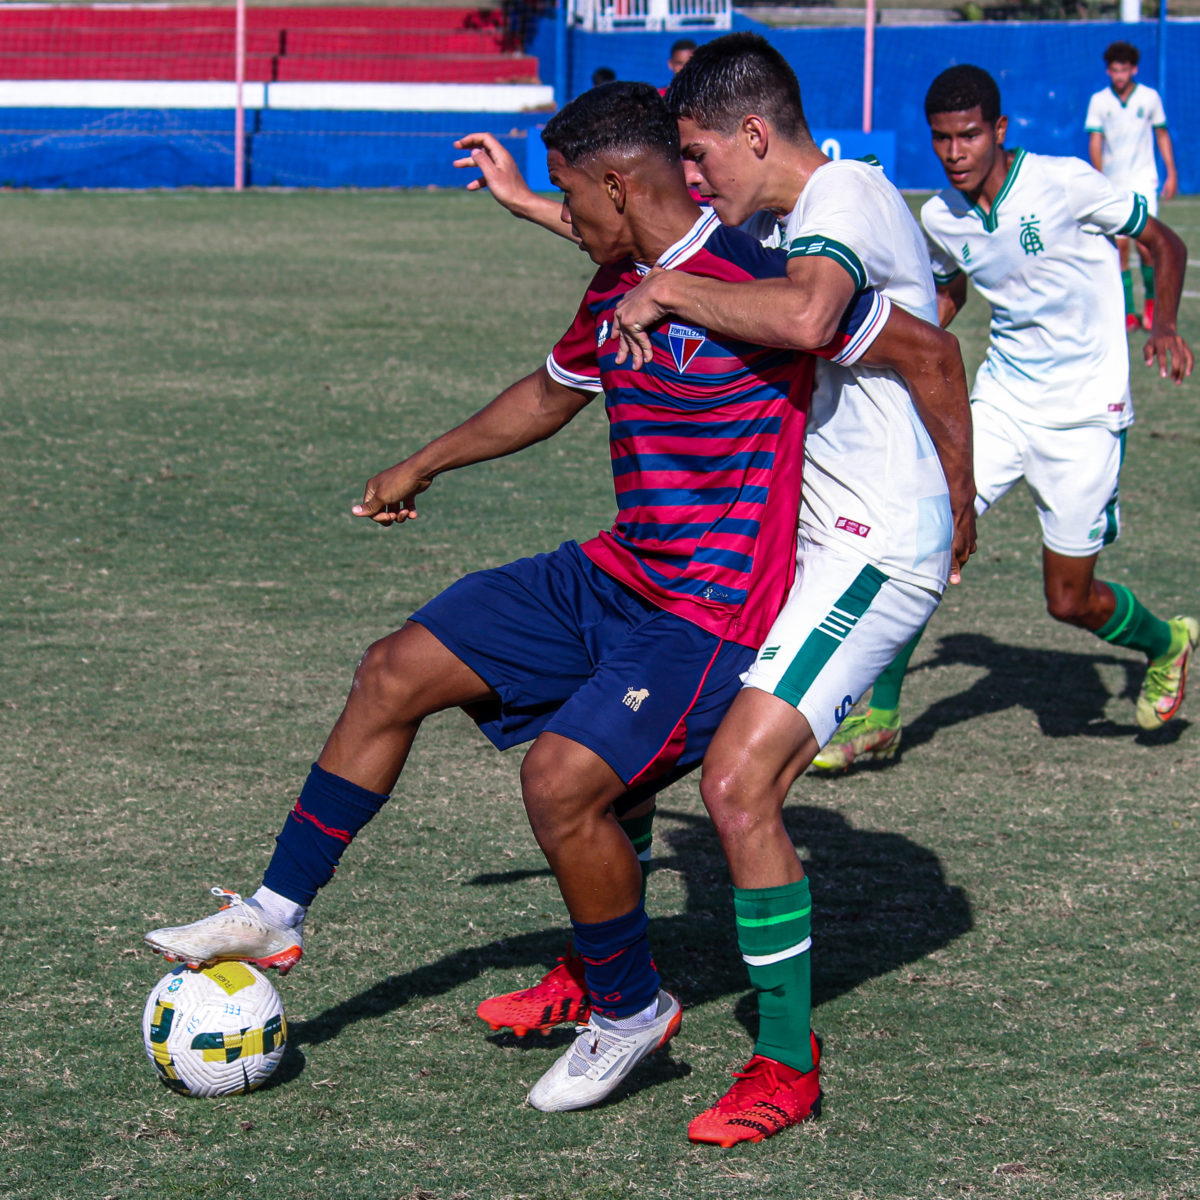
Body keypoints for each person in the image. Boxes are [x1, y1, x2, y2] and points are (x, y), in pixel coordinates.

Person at [143, 82, 891, 1119]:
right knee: (394, 667)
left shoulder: (766, 287)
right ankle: (276, 909)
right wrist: (424, 463)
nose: (567, 217)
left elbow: (919, 343)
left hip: (708, 615)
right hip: (617, 573)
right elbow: (551, 393)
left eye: (572, 197)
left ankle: (628, 1009)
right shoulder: (617, 278)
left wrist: (944, 508)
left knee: (560, 783)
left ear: (622, 187)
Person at [455, 32, 976, 1146]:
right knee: (637, 738)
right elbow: (653, 225)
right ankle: (601, 977)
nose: (693, 182)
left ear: (752, 132)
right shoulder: (785, 224)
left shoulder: (840, 189)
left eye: (700, 157)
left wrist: (955, 508)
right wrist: (533, 208)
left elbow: (801, 318)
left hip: (869, 551)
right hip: (808, 546)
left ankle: (787, 1062)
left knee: (737, 784)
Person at [814, 63, 1195, 775]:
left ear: (998, 130)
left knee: (1068, 599)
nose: (955, 153)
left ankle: (1166, 642)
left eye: (968, 136)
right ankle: (880, 718)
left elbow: (1162, 243)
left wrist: (1164, 323)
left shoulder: (1064, 182)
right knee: (925, 539)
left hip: (1085, 416)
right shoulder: (939, 216)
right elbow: (952, 283)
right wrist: (908, 351)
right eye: (941, 140)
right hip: (1004, 403)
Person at [1086, 41, 1178, 332]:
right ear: (1108, 71)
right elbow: (1095, 141)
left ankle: (1151, 303)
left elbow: (1161, 134)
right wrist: (1099, 178)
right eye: (1114, 70)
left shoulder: (1149, 98)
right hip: (1114, 185)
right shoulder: (1099, 101)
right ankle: (1127, 312)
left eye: (1124, 70)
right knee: (1120, 249)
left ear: (1134, 70)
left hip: (1143, 181)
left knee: (1147, 247)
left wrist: (1171, 172)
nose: (1119, 76)